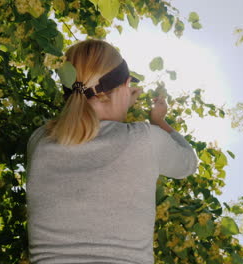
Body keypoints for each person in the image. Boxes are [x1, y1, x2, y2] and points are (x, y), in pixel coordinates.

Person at [25, 39, 199, 263]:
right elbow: (188, 163)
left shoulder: (39, 141)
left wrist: (118, 102)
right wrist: (158, 121)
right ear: (126, 85)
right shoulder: (145, 139)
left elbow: (90, 127)